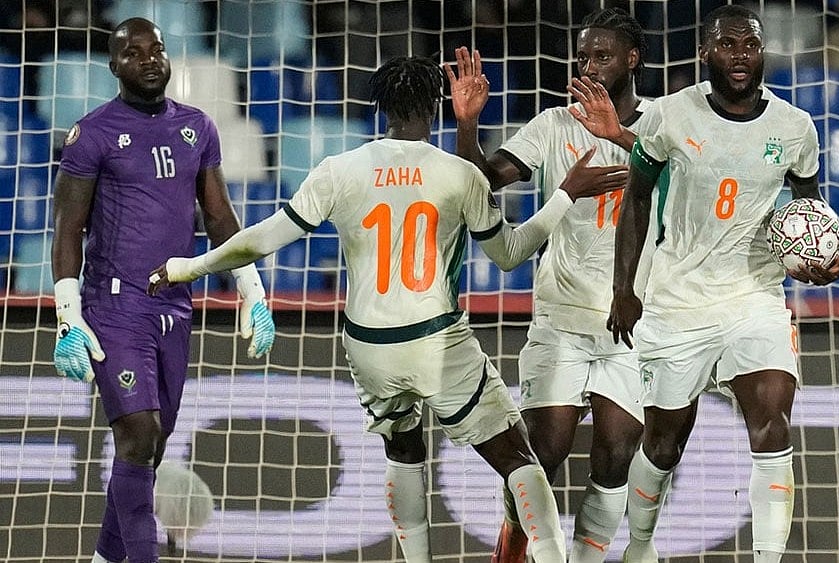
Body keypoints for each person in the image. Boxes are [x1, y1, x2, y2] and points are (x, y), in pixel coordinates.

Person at [147, 55, 629, 562]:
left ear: (380, 109)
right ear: (435, 106)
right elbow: (508, 256)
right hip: (435, 341)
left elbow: (261, 239)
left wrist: (186, 268)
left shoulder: (339, 170)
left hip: (369, 347)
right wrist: (563, 197)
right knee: (520, 461)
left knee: (403, 454)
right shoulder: (459, 174)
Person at [602, 5, 839, 562]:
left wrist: (820, 259)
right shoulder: (669, 116)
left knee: (773, 423)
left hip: (754, 295)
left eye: (750, 45)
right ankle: (640, 545)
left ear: (763, 52)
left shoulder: (794, 127)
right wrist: (625, 287)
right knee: (663, 444)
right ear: (705, 51)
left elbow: (808, 210)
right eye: (728, 44)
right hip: (678, 299)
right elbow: (637, 196)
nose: (740, 56)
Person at [50, 18, 275, 563]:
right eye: (134, 53)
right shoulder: (93, 133)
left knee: (150, 448)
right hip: (113, 304)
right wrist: (67, 314)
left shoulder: (198, 126)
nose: (149, 59)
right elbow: (68, 230)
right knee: (139, 436)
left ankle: (106, 556)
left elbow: (220, 218)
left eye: (157, 50)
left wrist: (252, 288)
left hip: (175, 305)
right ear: (114, 65)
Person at [445, 7, 663, 562]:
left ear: (632, 60)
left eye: (603, 56)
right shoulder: (553, 125)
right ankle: (511, 554)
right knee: (543, 454)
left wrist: (623, 135)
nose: (589, 66)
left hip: (634, 322)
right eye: (583, 55)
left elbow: (695, 181)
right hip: (562, 317)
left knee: (616, 456)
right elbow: (479, 181)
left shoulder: (664, 124)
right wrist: (468, 124)